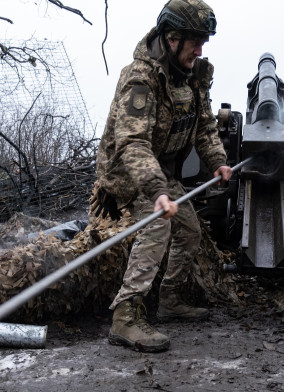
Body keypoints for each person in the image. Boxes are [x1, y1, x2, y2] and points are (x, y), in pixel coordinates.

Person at [90, 0, 232, 353]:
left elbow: (204, 126)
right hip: (131, 174)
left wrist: (217, 160)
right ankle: (125, 315)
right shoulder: (140, 78)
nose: (201, 50)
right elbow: (133, 142)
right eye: (195, 42)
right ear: (171, 38)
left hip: (163, 173)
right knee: (157, 224)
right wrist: (156, 191)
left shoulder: (195, 75)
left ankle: (169, 299)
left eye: (204, 42)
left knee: (189, 230)